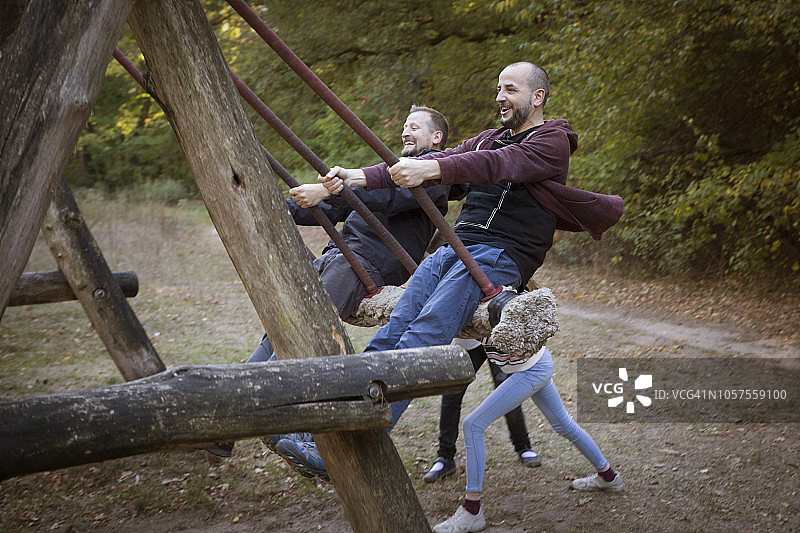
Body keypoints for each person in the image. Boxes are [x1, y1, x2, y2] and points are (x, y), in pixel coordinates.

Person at [317, 61, 624, 531]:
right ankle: (344, 419)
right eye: (498, 89)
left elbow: (496, 167)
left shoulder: (551, 141)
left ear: (536, 97)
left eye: (510, 89)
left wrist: (433, 165)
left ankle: (366, 430)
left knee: (424, 334)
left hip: (498, 256)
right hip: (455, 248)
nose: (500, 97)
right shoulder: (488, 137)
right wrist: (356, 177)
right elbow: (456, 164)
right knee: (396, 325)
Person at [423, 338, 540, 484]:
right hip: (468, 341)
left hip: (496, 338)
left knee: (508, 393)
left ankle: (523, 446)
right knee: (451, 394)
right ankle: (445, 457)